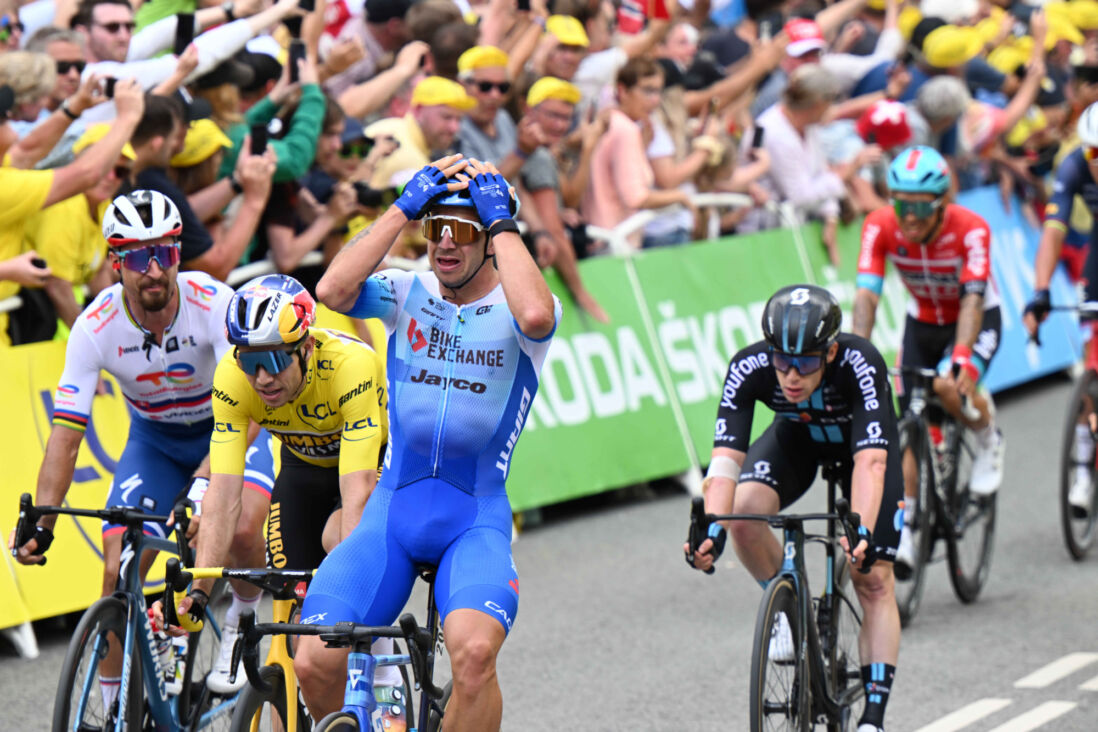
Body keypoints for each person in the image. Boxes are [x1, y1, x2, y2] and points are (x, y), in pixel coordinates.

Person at [271, 155, 560, 727]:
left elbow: (535, 314)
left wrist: (502, 224)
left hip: (472, 517)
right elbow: (330, 288)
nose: (445, 244)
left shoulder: (515, 306)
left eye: (463, 231)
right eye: (436, 229)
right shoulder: (408, 291)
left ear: (491, 239)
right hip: (392, 511)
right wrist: (402, 208)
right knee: (313, 662)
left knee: (474, 657)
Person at [9, 190, 268, 712]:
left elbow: (249, 409)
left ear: (178, 254)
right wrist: (43, 519)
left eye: (164, 253)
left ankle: (243, 610)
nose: (152, 270)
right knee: (116, 572)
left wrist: (203, 487)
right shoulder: (94, 327)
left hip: (231, 430)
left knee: (236, 526)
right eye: (135, 256)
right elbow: (65, 432)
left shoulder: (213, 303)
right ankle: (113, 710)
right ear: (115, 262)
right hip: (155, 443)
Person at [172, 275, 399, 710]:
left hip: (372, 465)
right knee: (293, 624)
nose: (261, 378)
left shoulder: (350, 366)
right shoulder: (233, 379)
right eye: (249, 361)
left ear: (306, 348)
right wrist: (201, 589)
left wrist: (347, 596)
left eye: (275, 359)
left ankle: (383, 666)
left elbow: (357, 496)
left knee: (339, 544)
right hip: (303, 470)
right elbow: (223, 494)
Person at [685, 284, 902, 732]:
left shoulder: (860, 363)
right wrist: (714, 529)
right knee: (744, 512)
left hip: (862, 450)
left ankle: (873, 720)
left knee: (873, 578)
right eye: (781, 360)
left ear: (831, 352)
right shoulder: (749, 367)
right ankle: (787, 614)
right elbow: (725, 459)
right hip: (799, 440)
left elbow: (872, 462)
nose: (791, 375)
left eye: (805, 363)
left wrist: (859, 529)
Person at [853, 146, 1004, 577]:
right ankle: (908, 525)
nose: (910, 215)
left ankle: (989, 437)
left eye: (921, 206)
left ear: (941, 204)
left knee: (946, 385)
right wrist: (856, 352)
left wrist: (960, 357)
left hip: (973, 320)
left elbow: (973, 297)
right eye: (902, 203)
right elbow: (867, 295)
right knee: (910, 426)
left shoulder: (970, 228)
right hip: (921, 325)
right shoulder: (880, 225)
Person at [1024, 101, 1098, 518]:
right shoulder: (1073, 167)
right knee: (1095, 355)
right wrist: (1040, 291)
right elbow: (1053, 233)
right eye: (1093, 153)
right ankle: (1084, 470)